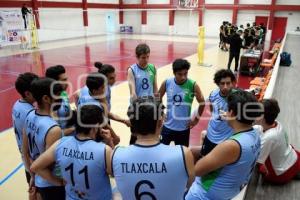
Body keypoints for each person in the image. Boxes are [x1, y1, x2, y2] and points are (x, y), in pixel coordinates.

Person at [110, 96, 195, 199]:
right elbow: (189, 185)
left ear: (131, 124)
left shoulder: (116, 155)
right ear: (160, 123)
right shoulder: (183, 154)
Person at [185, 90, 263, 200]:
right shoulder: (256, 134)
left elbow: (197, 170)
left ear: (231, 112)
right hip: (229, 192)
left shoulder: (232, 146)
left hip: (203, 195)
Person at [31, 105, 113, 200]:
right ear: (95, 127)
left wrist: (59, 182)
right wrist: (110, 142)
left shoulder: (61, 143)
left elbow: (35, 167)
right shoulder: (104, 150)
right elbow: (114, 173)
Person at [22, 78, 65, 200]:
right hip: (51, 185)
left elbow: (25, 152)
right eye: (57, 95)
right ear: (46, 98)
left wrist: (33, 177)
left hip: (39, 180)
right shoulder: (53, 129)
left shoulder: (29, 115)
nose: (60, 99)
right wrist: (59, 183)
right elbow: (48, 165)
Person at [158, 59, 205, 147]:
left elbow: (202, 103)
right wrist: (161, 112)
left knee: (182, 154)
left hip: (183, 129)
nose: (183, 77)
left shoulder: (193, 85)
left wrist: (196, 120)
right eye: (180, 74)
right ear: (174, 73)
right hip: (167, 126)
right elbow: (158, 97)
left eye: (185, 73)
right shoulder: (167, 82)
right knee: (161, 151)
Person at [255, 99, 300, 184]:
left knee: (259, 166)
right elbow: (258, 128)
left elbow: (257, 160)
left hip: (280, 173)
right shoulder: (277, 123)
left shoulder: (269, 137)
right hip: (293, 158)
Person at [12, 72, 39, 199]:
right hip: (33, 160)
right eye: (36, 90)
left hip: (26, 158)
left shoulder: (17, 105)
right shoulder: (30, 113)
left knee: (32, 190)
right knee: (37, 193)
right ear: (27, 93)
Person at [76, 72, 120, 147]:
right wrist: (115, 137)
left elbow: (76, 95)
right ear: (94, 91)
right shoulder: (95, 106)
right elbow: (104, 122)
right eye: (102, 88)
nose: (104, 90)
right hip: (92, 133)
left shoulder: (85, 89)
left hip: (80, 131)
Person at [200, 69, 236, 157]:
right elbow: (212, 109)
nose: (225, 86)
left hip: (226, 138)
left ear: (233, 83)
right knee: (204, 158)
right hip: (211, 134)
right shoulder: (213, 94)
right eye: (222, 83)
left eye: (228, 83)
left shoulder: (237, 97)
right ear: (217, 84)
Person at [94, 62, 131, 127]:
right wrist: (124, 121)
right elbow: (106, 113)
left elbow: (76, 94)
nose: (114, 80)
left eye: (114, 77)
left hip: (105, 117)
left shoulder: (107, 86)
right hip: (99, 121)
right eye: (111, 78)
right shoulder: (100, 92)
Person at [45, 65, 75, 136]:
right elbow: (54, 134)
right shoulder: (51, 103)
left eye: (66, 79)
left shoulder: (63, 93)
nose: (67, 83)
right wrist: (74, 128)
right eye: (64, 80)